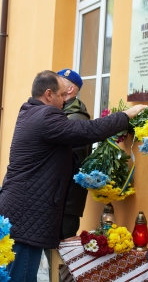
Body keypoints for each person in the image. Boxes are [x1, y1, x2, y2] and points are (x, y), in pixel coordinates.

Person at [0, 70, 147, 281]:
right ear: (48, 94)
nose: (65, 101)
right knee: (22, 274)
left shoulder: (29, 111)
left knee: (14, 273)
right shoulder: (47, 116)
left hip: (19, 206)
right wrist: (125, 116)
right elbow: (86, 131)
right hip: (28, 211)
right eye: (62, 95)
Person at [56, 69, 91, 239]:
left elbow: (74, 162)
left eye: (58, 81)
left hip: (66, 201)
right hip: (59, 199)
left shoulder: (75, 118)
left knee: (62, 251)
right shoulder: (63, 112)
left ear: (70, 89)